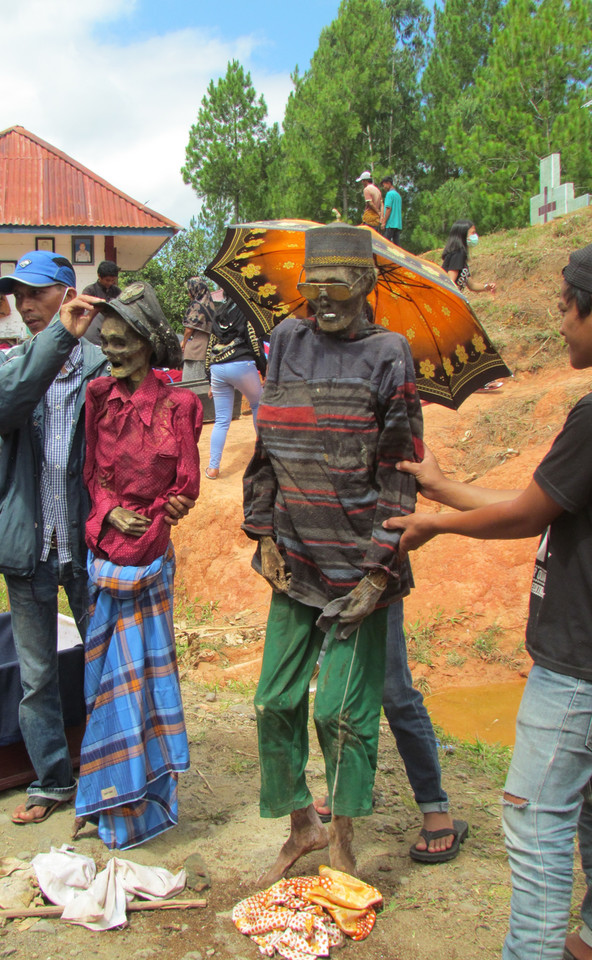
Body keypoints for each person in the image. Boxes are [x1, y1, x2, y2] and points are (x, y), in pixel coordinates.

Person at [385, 243, 592, 960]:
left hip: (577, 669)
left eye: (566, 307)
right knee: (590, 817)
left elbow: (530, 515)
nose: (559, 321)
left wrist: (437, 523)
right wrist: (444, 490)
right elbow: (543, 504)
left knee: (535, 825)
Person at [0, 251, 192, 826]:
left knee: (106, 667)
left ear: (70, 295)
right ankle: (51, 781)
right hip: (28, 545)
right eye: (18, 295)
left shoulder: (105, 367)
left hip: (93, 547)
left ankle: (105, 778)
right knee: (36, 675)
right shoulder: (6, 364)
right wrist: (55, 344)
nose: (25, 305)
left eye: (37, 294)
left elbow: (151, 439)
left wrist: (170, 496)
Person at [242, 223, 422, 885]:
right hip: (295, 553)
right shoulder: (286, 343)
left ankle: (344, 841)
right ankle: (302, 823)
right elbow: (264, 450)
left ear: (368, 284)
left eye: (339, 284)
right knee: (273, 701)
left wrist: (381, 568)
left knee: (339, 713)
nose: (323, 298)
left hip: (359, 569)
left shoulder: (390, 354)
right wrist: (262, 532)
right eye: (313, 285)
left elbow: (401, 469)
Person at [74, 282, 203, 849]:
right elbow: (90, 480)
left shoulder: (181, 406)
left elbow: (186, 486)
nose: (113, 352)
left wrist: (163, 511)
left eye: (123, 342)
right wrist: (108, 516)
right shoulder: (98, 396)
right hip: (105, 559)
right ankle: (105, 800)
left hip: (149, 563)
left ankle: (145, 802)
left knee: (145, 682)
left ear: (150, 344)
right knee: (104, 682)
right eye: (106, 342)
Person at [314, 598, 467, 863]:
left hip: (378, 585)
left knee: (396, 695)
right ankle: (349, 791)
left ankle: (435, 808)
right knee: (341, 691)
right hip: (327, 583)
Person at [204, 301, 266, 480]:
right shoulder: (247, 311)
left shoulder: (219, 314)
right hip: (241, 364)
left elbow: (210, 347)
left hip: (218, 368)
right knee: (257, 405)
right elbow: (254, 344)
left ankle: (213, 468)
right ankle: (265, 457)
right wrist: (264, 368)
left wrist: (210, 378)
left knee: (221, 420)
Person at [442, 219, 502, 391]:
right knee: (473, 341)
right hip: (452, 306)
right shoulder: (458, 254)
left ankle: (474, 381)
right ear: (462, 235)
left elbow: (469, 284)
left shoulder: (459, 255)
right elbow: (450, 282)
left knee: (464, 344)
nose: (475, 236)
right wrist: (460, 301)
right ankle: (482, 380)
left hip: (454, 305)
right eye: (472, 233)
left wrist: (485, 287)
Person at [181, 277, 215, 382]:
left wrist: (184, 342)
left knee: (191, 386)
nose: (188, 294)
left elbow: (189, 329)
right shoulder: (212, 305)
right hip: (209, 348)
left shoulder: (196, 305)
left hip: (196, 350)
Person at [81, 260, 121, 347]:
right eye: (107, 280)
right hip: (94, 333)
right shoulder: (89, 291)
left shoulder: (117, 291)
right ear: (99, 276)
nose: (110, 283)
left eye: (112, 280)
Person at [380, 177, 402, 246]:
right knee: (396, 246)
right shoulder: (398, 195)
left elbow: (388, 209)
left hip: (390, 223)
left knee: (385, 245)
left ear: (388, 183)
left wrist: (384, 222)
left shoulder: (389, 194)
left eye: (384, 185)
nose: (384, 188)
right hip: (398, 224)